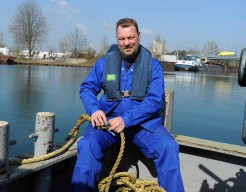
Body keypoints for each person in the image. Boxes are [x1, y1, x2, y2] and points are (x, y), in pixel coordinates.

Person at [71, 18, 184, 192]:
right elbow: (87, 88)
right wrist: (94, 110)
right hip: (108, 123)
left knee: (169, 147)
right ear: (117, 39)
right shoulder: (104, 63)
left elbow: (154, 101)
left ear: (139, 36)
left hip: (144, 125)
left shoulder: (153, 67)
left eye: (130, 38)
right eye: (122, 39)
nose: (126, 43)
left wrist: (126, 120)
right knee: (87, 145)